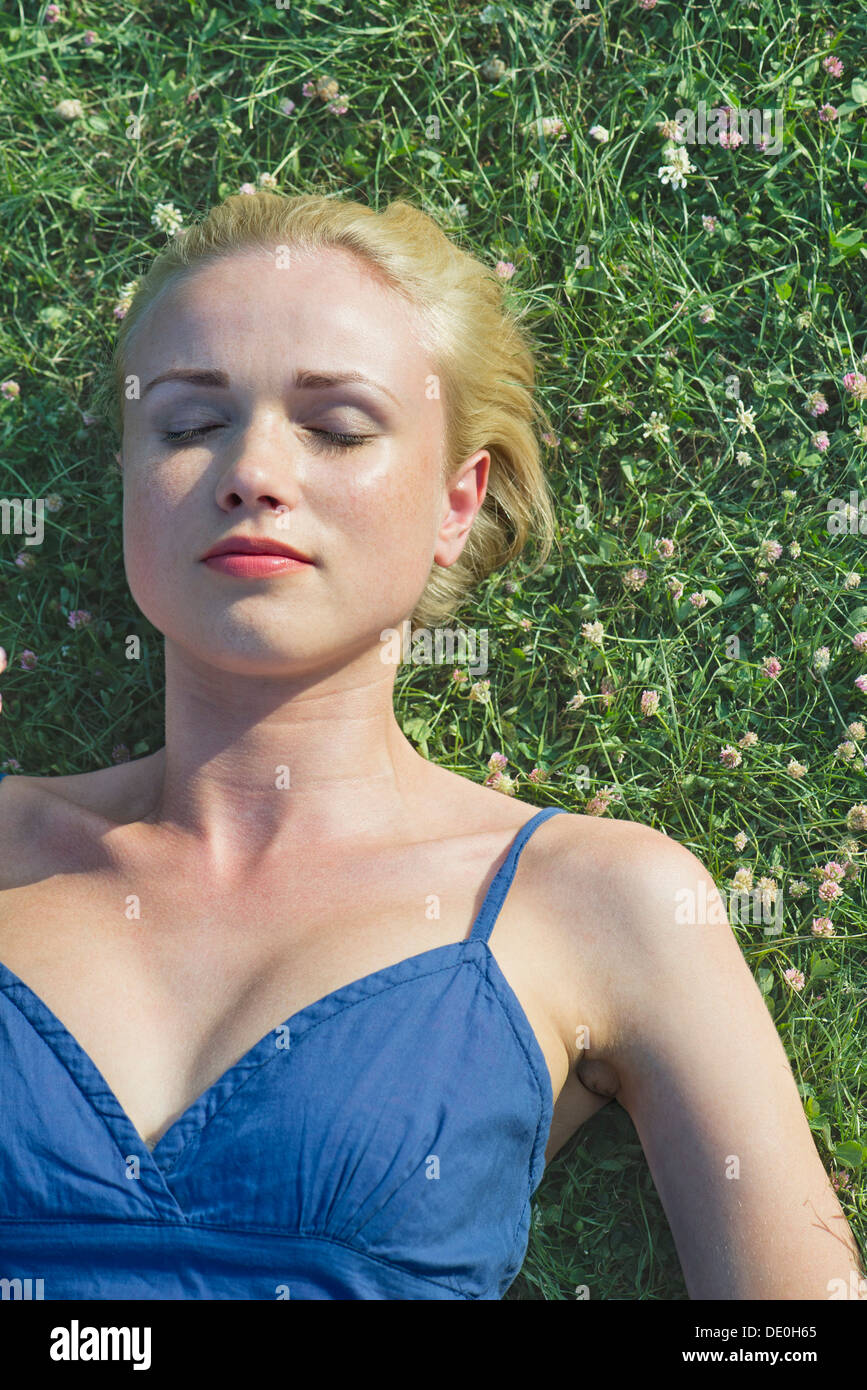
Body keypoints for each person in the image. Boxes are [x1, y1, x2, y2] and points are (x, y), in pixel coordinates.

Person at [0, 191, 862, 1301]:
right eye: (186, 423)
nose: (252, 470)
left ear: (459, 502)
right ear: (130, 484)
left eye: (337, 427)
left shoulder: (602, 900)